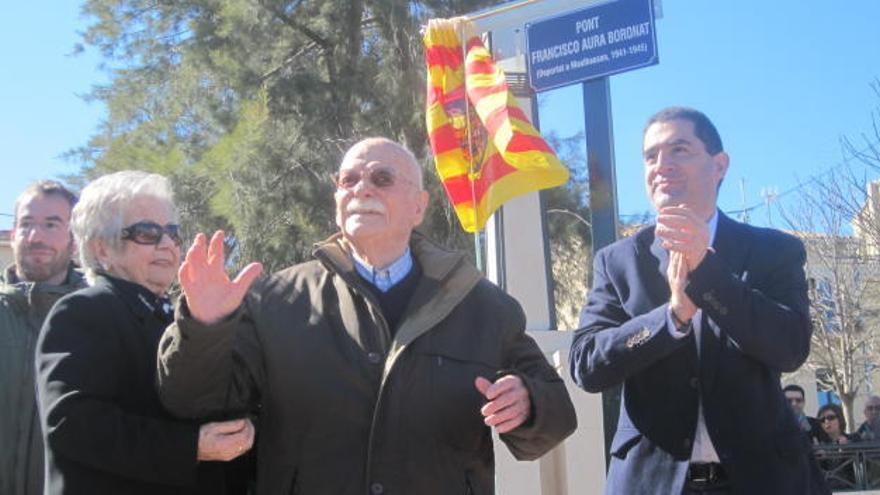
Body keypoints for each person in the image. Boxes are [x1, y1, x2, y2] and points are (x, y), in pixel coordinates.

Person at [156, 137, 578, 494]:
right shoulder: (273, 299)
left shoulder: (484, 306)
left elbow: (558, 415)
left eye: (382, 178)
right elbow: (193, 403)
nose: (362, 189)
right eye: (348, 180)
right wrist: (205, 327)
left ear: (418, 206)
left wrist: (528, 402)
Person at [569, 107, 829, 494]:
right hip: (654, 483)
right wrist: (671, 318)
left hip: (765, 480)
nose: (662, 165)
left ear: (719, 165)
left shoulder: (774, 251)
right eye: (651, 156)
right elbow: (587, 364)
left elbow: (790, 346)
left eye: (679, 150)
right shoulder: (618, 261)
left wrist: (708, 275)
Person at [35, 171, 255, 495]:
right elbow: (72, 423)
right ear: (102, 250)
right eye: (148, 232)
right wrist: (192, 446)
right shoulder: (83, 311)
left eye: (172, 232)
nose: (167, 244)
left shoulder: (177, 319)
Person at [0, 181, 85, 495]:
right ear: (12, 234)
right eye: (26, 224)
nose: (36, 237)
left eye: (51, 224)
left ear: (74, 239)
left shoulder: (96, 318)